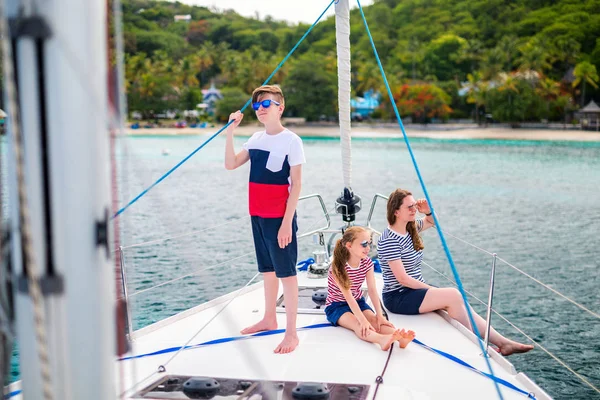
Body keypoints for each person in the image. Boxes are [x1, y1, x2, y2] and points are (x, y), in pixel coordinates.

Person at [377, 188, 534, 356]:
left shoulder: (410, 227)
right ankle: (479, 345)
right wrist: (430, 289)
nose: (414, 210)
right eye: (409, 207)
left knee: (461, 303)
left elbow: (432, 222)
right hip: (398, 296)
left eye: (414, 205)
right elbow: (403, 279)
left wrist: (428, 211)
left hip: (414, 290)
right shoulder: (389, 240)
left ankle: (503, 343)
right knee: (453, 295)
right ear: (396, 212)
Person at [225, 85, 304, 354]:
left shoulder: (292, 140)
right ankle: (269, 318)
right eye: (256, 105)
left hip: (278, 218)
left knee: (287, 274)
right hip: (256, 215)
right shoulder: (256, 138)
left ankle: (291, 333)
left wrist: (286, 223)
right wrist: (230, 132)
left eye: (266, 104)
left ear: (280, 107)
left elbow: (297, 185)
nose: (260, 109)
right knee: (268, 271)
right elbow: (231, 164)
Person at [325, 226, 416, 350]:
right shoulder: (337, 267)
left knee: (375, 321)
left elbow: (372, 291)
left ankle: (400, 337)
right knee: (359, 324)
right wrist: (362, 320)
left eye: (369, 243)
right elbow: (348, 297)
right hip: (336, 306)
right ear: (349, 245)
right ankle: (381, 340)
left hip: (358, 302)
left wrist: (379, 315)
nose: (368, 248)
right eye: (363, 244)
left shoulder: (367, 263)